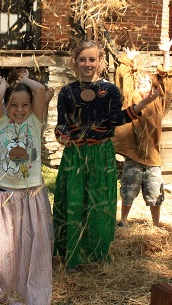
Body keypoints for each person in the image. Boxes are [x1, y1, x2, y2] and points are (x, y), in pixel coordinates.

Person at [53, 40, 161, 270]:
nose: (87, 64)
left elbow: (117, 119)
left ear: (101, 62)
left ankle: (96, 255)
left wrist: (146, 101)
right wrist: (61, 136)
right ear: (75, 62)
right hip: (75, 156)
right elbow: (61, 124)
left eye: (92, 59)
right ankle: (72, 256)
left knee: (100, 205)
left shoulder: (109, 91)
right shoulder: (67, 92)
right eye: (82, 59)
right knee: (74, 203)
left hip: (102, 154)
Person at [0, 70, 53, 304]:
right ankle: (0, 287)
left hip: (28, 195)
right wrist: (3, 84)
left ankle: (25, 286)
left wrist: (23, 81)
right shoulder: (0, 123)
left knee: (27, 245)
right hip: (2, 195)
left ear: (32, 107)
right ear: (6, 106)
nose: (19, 110)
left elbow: (40, 90)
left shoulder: (35, 122)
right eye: (13, 105)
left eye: (25, 105)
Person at [112, 38, 172, 228]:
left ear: (153, 86)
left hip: (152, 157)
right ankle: (123, 220)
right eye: (139, 81)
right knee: (128, 190)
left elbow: (166, 82)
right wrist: (129, 60)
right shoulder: (130, 100)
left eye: (146, 81)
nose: (142, 83)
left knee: (155, 192)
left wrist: (166, 54)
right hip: (133, 154)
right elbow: (126, 79)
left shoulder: (158, 102)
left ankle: (155, 224)